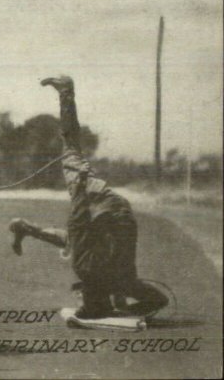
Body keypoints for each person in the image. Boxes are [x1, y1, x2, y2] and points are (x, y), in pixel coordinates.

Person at [9, 76, 169, 320]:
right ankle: (66, 91)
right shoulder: (94, 267)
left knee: (91, 260)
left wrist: (121, 305)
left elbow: (77, 227)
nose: (78, 297)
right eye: (82, 297)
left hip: (107, 209)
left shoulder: (104, 272)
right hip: (108, 209)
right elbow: (76, 230)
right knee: (109, 270)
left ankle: (66, 91)